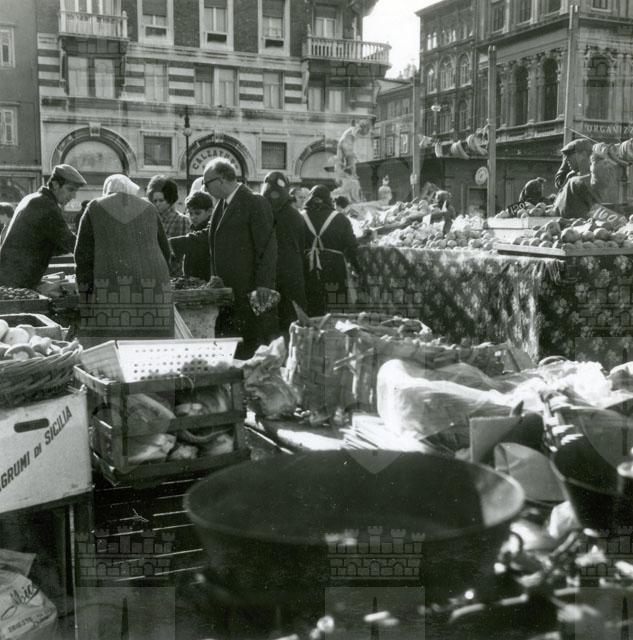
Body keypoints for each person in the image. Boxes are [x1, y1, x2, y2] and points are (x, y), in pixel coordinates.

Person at [169, 159, 278, 359]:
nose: (205, 188)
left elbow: (267, 248)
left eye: (206, 183)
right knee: (230, 349)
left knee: (246, 349)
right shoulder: (222, 205)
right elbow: (205, 237)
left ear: (220, 180)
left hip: (247, 292)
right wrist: (171, 244)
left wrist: (263, 285)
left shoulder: (254, 202)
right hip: (226, 293)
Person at [74, 174, 173, 346]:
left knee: (115, 344)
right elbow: (165, 251)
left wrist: (86, 297)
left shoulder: (94, 207)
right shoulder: (149, 208)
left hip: (113, 286)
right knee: (152, 344)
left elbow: (82, 257)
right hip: (153, 286)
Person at [0, 164, 85, 289]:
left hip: (10, 278)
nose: (73, 196)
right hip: (17, 282)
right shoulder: (46, 205)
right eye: (70, 189)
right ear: (55, 184)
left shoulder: (32, 198)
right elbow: (70, 243)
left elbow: (48, 243)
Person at [301, 184, 360, 317]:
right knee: (337, 307)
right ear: (329, 199)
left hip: (308, 267)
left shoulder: (300, 217)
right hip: (335, 267)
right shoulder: (340, 218)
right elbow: (351, 246)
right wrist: (357, 268)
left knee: (312, 307)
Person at [261, 171, 308, 334]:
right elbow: (302, 246)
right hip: (292, 274)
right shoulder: (296, 216)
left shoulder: (261, 214)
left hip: (267, 276)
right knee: (291, 322)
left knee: (267, 324)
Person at [554, 145, 620, 219]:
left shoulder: (577, 180)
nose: (567, 160)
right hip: (578, 219)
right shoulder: (576, 181)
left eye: (570, 156)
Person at [170, 191, 214, 280]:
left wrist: (170, 243)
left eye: (197, 213)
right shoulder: (194, 228)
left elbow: (197, 240)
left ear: (209, 211)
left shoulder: (211, 228)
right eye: (190, 213)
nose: (193, 217)